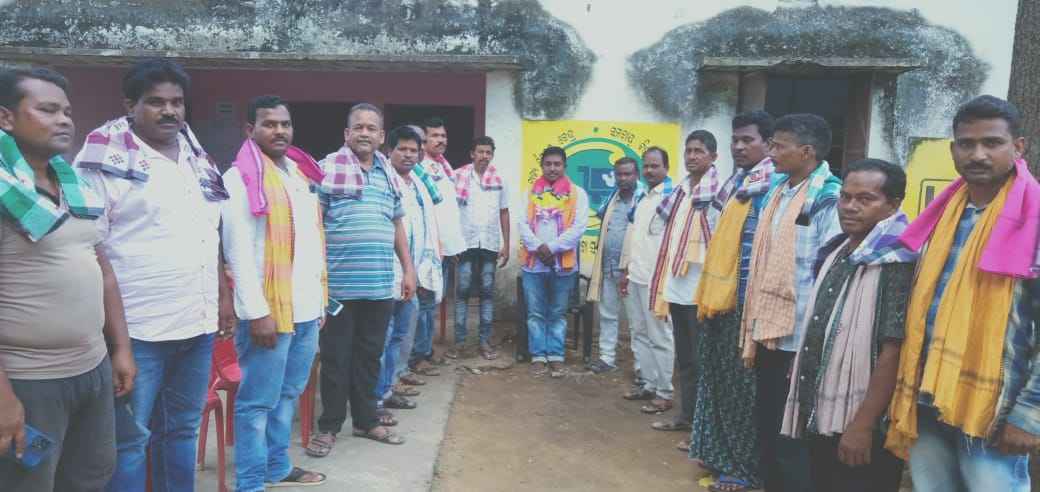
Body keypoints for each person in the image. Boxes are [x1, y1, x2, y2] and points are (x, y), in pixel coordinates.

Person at [74, 59, 234, 492]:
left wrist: (222, 295)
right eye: (156, 102)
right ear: (130, 105)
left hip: (196, 324)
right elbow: (89, 247)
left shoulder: (195, 156)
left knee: (181, 430)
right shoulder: (101, 160)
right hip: (137, 331)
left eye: (177, 102)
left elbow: (209, 231)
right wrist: (117, 343)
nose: (170, 111)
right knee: (130, 441)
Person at [886, 95, 1040, 492]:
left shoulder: (1033, 219)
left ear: (1018, 147)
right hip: (927, 392)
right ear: (953, 149)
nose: (978, 154)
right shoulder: (944, 213)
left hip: (994, 405)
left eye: (992, 143)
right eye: (967, 144)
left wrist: (1030, 414)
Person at [0, 67, 135, 492]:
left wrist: (121, 349)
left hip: (92, 369)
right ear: (6, 118)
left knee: (90, 476)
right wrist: (3, 398)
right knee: (28, 483)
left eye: (67, 112)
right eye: (47, 110)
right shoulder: (5, 192)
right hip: (28, 380)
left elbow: (103, 271)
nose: (63, 120)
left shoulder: (75, 186)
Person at [781, 159, 913, 492]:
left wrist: (863, 426)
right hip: (823, 410)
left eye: (865, 199)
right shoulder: (840, 249)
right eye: (845, 197)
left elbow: (894, 349)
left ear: (893, 204)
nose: (850, 207)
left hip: (863, 423)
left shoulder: (896, 261)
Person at [220, 95, 326, 489]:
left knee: (288, 395)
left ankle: (276, 466)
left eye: (285, 123)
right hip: (269, 312)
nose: (279, 130)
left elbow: (312, 242)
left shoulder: (298, 173)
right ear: (250, 129)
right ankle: (249, 482)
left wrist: (319, 301)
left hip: (305, 307)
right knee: (256, 403)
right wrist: (256, 312)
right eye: (269, 124)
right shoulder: (240, 178)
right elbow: (238, 251)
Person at [307, 103, 416, 456]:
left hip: (379, 286)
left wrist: (408, 269)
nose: (365, 133)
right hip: (338, 288)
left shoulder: (388, 175)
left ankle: (366, 421)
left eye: (372, 128)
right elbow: (313, 225)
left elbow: (396, 224)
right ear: (347, 134)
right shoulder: (325, 171)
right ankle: (329, 426)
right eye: (359, 127)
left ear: (381, 136)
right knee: (336, 359)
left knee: (370, 357)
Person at [741, 113, 842, 492]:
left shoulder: (829, 199)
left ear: (806, 152)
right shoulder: (778, 192)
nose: (770, 153)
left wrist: (814, 343)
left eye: (778, 146)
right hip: (770, 330)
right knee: (768, 423)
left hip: (802, 339)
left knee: (794, 436)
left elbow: (830, 277)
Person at [688, 110, 776, 491]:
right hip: (720, 301)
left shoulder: (772, 185)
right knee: (718, 381)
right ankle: (718, 452)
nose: (739, 147)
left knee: (743, 390)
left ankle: (743, 467)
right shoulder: (737, 182)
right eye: (735, 140)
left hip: (747, 306)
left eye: (747, 140)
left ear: (769, 144)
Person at [647, 131, 720, 442]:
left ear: (713, 157)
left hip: (700, 291)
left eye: (699, 151)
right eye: (689, 150)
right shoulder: (681, 191)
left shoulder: (717, 194)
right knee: (686, 360)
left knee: (703, 362)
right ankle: (687, 417)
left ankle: (702, 430)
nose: (692, 156)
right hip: (677, 286)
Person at [375, 126, 442, 417]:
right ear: (389, 151)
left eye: (413, 150)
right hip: (386, 275)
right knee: (382, 338)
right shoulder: (382, 181)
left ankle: (388, 389)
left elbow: (426, 226)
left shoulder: (417, 184)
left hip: (411, 275)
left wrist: (419, 270)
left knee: (401, 338)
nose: (408, 155)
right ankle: (374, 400)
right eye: (402, 149)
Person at [519, 146, 588, 378]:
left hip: (563, 264)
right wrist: (538, 247)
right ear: (542, 166)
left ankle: (556, 355)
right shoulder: (529, 192)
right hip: (534, 263)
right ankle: (538, 355)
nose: (552, 168)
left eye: (557, 164)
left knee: (557, 313)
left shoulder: (578, 194)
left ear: (564, 166)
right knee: (535, 313)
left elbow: (579, 227)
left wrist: (552, 247)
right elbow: (522, 224)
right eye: (548, 164)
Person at [619, 147, 675, 411]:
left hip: (658, 280)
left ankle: (665, 392)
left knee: (660, 336)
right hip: (636, 276)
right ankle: (648, 384)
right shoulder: (642, 198)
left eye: (655, 166)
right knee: (639, 333)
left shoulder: (673, 198)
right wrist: (626, 272)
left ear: (666, 168)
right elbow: (634, 237)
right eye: (647, 166)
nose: (649, 170)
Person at [411, 117, 465, 374]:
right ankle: (417, 356)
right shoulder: (419, 168)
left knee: (432, 302)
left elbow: (448, 212)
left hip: (443, 249)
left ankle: (425, 351)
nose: (440, 140)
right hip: (427, 250)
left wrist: (452, 247)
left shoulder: (444, 166)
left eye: (443, 136)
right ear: (423, 142)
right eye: (434, 136)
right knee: (424, 304)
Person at [451, 136, 510, 360]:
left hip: (489, 243)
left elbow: (504, 212)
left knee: (487, 293)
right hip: (464, 242)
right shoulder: (457, 176)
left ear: (492, 155)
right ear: (472, 154)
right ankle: (459, 343)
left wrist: (506, 244)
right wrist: (450, 244)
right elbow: (450, 211)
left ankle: (484, 341)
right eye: (480, 152)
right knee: (462, 292)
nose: (484, 156)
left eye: (488, 152)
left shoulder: (500, 179)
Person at [586, 157, 644, 374]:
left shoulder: (643, 200)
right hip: (609, 267)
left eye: (628, 174)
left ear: (636, 175)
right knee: (608, 314)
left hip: (632, 271)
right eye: (619, 174)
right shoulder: (612, 199)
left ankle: (641, 367)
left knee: (637, 321)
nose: (623, 178)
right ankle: (607, 358)